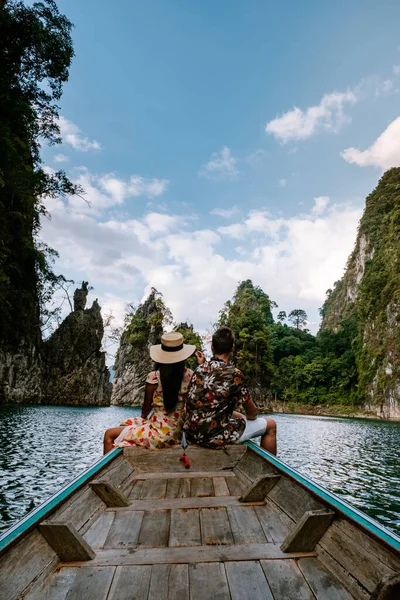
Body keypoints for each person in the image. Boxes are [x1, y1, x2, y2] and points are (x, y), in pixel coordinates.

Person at [184, 326, 277, 454]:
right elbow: (252, 413)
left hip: (191, 435)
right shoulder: (234, 374)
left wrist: (238, 416)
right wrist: (247, 416)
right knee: (271, 425)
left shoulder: (199, 369)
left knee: (238, 418)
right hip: (212, 439)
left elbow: (207, 404)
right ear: (232, 347)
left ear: (212, 347)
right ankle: (270, 470)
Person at [103, 332, 196, 454]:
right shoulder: (190, 375)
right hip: (177, 433)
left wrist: (143, 420)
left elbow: (146, 408)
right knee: (127, 423)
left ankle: (109, 472)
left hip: (158, 435)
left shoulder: (154, 378)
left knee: (109, 434)